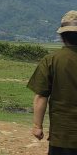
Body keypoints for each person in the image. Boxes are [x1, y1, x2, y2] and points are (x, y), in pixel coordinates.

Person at [27, 10, 77, 154]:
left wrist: (37, 126)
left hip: (62, 136)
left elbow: (41, 96)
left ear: (62, 36)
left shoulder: (51, 60)